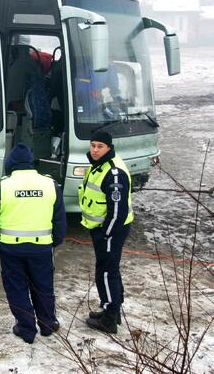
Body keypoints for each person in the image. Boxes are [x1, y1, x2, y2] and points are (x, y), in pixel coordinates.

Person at [0, 143, 67, 344]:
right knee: (43, 286)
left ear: (10, 165)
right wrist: (54, 241)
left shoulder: (1, 187)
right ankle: (47, 324)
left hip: (10, 249)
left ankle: (26, 328)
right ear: (31, 164)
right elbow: (60, 221)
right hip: (42, 248)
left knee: (16, 288)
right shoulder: (50, 185)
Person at [79, 131, 134, 334]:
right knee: (108, 268)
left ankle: (109, 319)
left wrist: (106, 234)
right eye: (93, 145)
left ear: (109, 147)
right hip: (102, 228)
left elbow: (117, 211)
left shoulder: (113, 173)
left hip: (110, 230)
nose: (94, 150)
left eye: (99, 146)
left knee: (106, 271)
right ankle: (111, 309)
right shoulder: (99, 166)